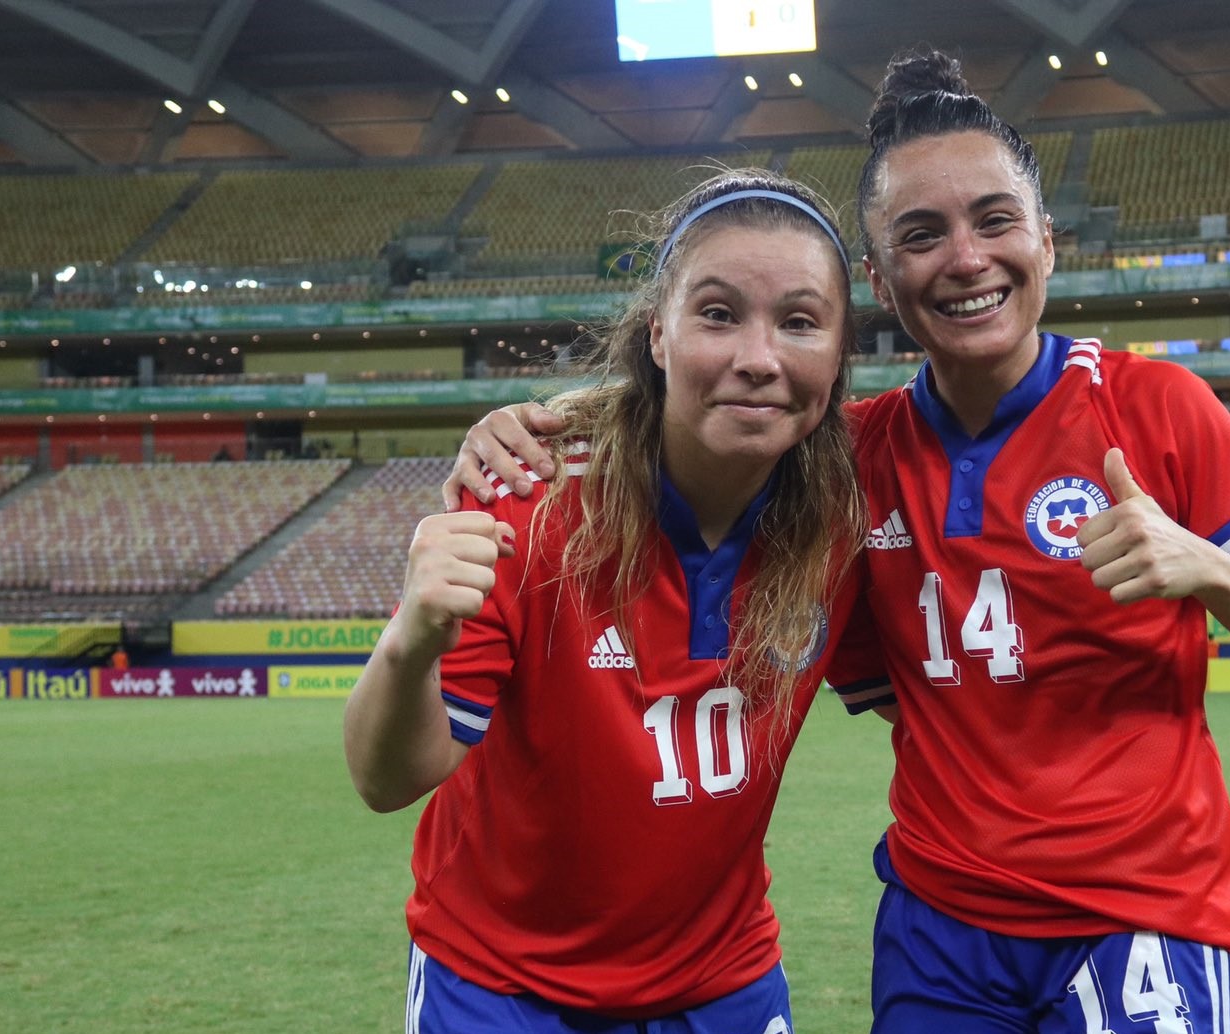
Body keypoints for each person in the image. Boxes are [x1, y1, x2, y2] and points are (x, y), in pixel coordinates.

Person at [444, 50, 1230, 1034]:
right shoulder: (849, 459)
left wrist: (1203, 564)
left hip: (1144, 917)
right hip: (937, 926)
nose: (965, 259)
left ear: (1047, 240)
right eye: (922, 235)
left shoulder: (1158, 406)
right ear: (879, 281)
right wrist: (538, 419)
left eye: (994, 220)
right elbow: (714, 409)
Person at [348, 169, 865, 1033]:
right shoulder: (531, 496)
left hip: (723, 984)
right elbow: (386, 779)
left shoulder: (853, 512)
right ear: (656, 333)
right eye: (716, 313)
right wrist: (409, 640)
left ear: (841, 353)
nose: (758, 356)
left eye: (801, 321)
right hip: (502, 986)